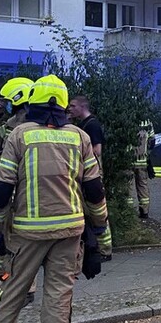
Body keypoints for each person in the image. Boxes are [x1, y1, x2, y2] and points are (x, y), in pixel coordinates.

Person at [0, 75, 108, 323]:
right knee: (59, 294)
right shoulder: (79, 137)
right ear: (63, 105)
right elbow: (94, 189)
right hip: (70, 231)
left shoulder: (20, 135)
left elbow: (1, 189)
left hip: (26, 233)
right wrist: (100, 228)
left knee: (12, 289)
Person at [0, 77, 36, 301]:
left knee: (18, 239)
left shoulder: (30, 125)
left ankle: (25, 288)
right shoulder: (12, 121)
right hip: (4, 183)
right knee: (1, 239)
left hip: (19, 187)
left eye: (8, 101)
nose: (6, 104)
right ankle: (4, 278)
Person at [67, 96, 113, 259]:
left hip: (92, 174)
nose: (69, 109)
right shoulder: (82, 125)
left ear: (82, 107)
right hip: (85, 173)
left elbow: (97, 150)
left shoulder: (92, 125)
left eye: (73, 106)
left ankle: (105, 250)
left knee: (97, 211)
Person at [132, 118, 156, 219]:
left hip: (128, 161)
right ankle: (144, 211)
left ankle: (128, 213)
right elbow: (152, 140)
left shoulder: (124, 117)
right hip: (142, 161)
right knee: (143, 186)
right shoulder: (147, 121)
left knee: (127, 187)